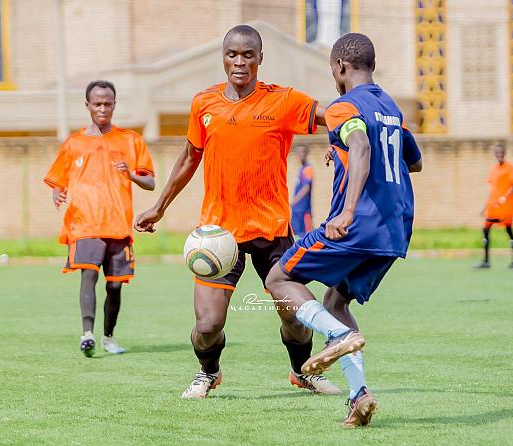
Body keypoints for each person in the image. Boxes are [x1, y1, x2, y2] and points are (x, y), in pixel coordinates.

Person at [134, 25, 340, 399]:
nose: (240, 62)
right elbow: (189, 158)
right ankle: (208, 372)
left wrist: (341, 140)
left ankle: (302, 372)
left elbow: (334, 116)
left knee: (294, 316)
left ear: (260, 58)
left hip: (272, 231)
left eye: (248, 55)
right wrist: (159, 207)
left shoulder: (283, 100)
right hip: (218, 235)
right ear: (224, 58)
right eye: (232, 54)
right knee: (208, 325)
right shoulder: (204, 104)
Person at [264, 33, 423, 428]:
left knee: (278, 278)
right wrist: (343, 149)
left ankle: (337, 336)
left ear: (339, 67)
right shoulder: (390, 107)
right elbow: (413, 161)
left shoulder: (344, 106)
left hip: (358, 224)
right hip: (395, 229)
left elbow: (362, 146)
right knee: (336, 301)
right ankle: (359, 395)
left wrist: (348, 210)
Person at [44, 80, 155, 357]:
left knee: (115, 285)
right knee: (88, 274)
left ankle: (108, 337)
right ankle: (87, 334)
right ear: (88, 106)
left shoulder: (131, 140)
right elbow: (58, 180)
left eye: (108, 103)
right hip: (85, 223)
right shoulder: (73, 143)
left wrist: (131, 174)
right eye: (97, 104)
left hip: (118, 225)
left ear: (114, 105)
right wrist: (57, 193)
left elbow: (150, 182)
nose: (103, 108)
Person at [475, 144, 513, 269]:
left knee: (509, 231)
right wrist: (485, 207)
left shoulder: (510, 168)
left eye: (501, 153)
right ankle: (486, 261)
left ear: (504, 153)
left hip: (505, 208)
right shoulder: (493, 170)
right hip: (493, 207)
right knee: (485, 230)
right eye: (497, 153)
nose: (499, 155)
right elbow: (492, 191)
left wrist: (505, 197)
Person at [290, 144, 314, 239]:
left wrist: (293, 202)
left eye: (303, 152)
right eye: (298, 152)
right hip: (297, 210)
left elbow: (306, 188)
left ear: (306, 153)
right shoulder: (301, 169)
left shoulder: (308, 169)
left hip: (304, 209)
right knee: (295, 235)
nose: (301, 154)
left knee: (306, 235)